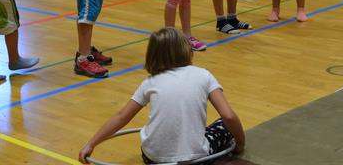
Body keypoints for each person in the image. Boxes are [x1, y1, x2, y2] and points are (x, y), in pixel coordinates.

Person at [78, 27, 245, 165]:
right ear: (186, 50)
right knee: (223, 125)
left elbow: (122, 116)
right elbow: (228, 116)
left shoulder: (150, 82)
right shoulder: (204, 75)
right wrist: (240, 143)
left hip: (153, 159)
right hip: (196, 160)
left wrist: (91, 144)